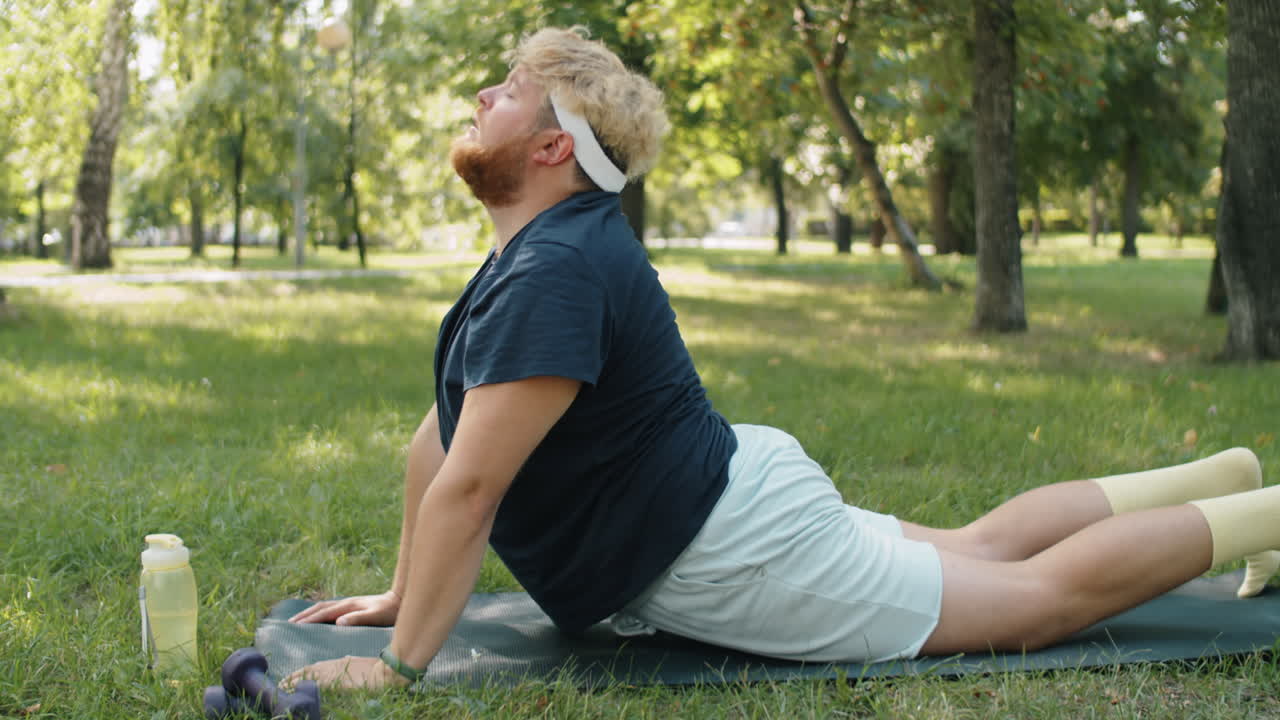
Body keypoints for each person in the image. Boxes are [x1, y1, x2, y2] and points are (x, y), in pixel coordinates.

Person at [286, 27, 1279, 691]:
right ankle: (1226, 480)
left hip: (730, 545)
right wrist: (405, 598)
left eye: (505, 94)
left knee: (1033, 602)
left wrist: (401, 665)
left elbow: (469, 493)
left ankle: (1262, 512)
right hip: (729, 498)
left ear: (552, 151)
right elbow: (440, 441)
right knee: (978, 545)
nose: (479, 95)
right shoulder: (530, 258)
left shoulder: (552, 272)